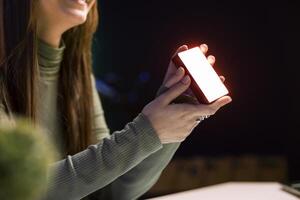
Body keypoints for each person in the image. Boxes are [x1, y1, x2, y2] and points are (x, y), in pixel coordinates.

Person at [0, 0, 232, 199]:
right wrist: (146, 133)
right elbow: (19, 191)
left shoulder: (78, 76)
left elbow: (114, 192)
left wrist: (167, 130)